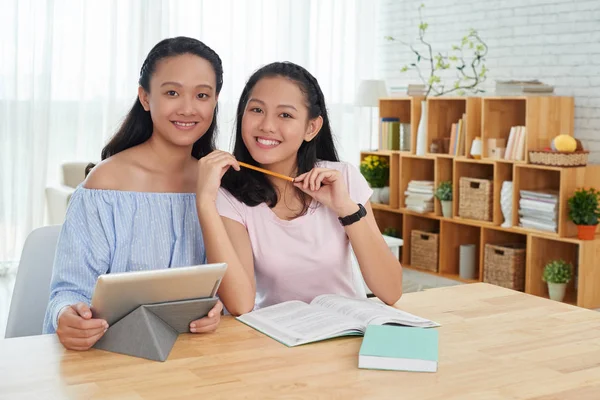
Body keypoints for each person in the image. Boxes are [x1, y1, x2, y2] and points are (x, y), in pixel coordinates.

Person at [43, 37, 225, 350]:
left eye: (202, 95)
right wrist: (67, 316)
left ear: (215, 101)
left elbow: (229, 288)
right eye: (171, 92)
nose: (188, 107)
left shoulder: (216, 183)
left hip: (196, 358)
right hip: (113, 359)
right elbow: (69, 291)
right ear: (144, 97)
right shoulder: (106, 182)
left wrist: (218, 310)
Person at [195, 62, 403, 315]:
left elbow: (391, 291)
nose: (266, 125)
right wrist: (205, 201)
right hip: (276, 338)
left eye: (285, 115)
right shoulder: (230, 196)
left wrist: (346, 208)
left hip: (346, 330)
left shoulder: (343, 177)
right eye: (257, 110)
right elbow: (240, 304)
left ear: (311, 128)